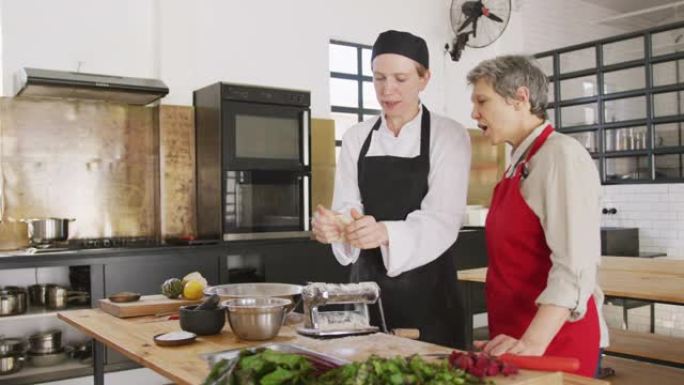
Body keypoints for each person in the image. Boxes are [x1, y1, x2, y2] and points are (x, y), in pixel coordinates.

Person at [311, 30, 471, 348]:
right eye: (379, 78)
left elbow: (443, 218)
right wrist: (338, 226)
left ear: (424, 78)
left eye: (400, 78)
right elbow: (347, 204)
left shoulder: (448, 135)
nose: (388, 90)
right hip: (365, 294)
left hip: (431, 297)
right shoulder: (358, 136)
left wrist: (384, 233)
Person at [467, 55, 608, 377]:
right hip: (514, 335)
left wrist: (533, 342)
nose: (475, 113)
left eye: (482, 101)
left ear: (520, 98)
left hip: (553, 342)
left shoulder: (560, 155)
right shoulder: (521, 160)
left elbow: (575, 264)